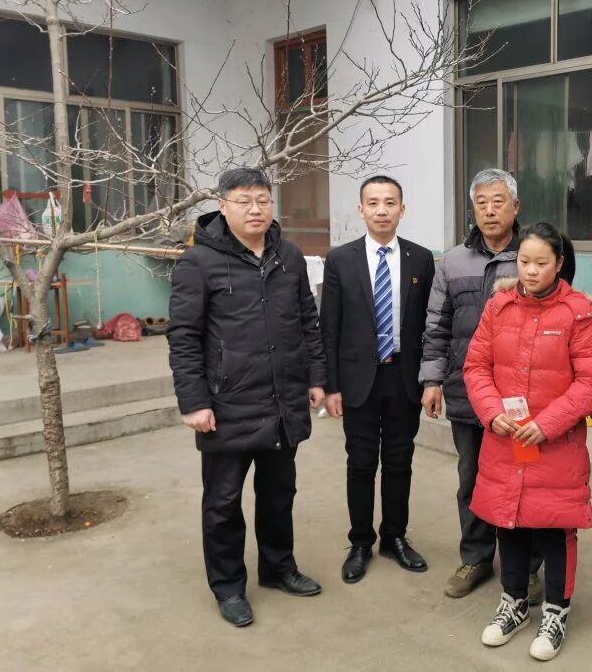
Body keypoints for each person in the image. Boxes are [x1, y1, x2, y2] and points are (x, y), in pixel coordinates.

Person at [167, 167, 326, 628]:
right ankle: (228, 587)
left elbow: (307, 321)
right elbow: (183, 337)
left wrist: (315, 376)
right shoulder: (198, 262)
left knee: (278, 494)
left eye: (263, 200)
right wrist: (194, 402)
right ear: (223, 206)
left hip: (281, 400)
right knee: (222, 503)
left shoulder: (288, 256)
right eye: (244, 201)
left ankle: (278, 568)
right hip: (227, 404)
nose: (255, 209)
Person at [463, 222, 592, 661]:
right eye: (524, 261)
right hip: (506, 439)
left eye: (541, 263)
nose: (530, 271)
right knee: (508, 522)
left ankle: (555, 612)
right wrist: (491, 411)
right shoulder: (499, 306)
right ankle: (513, 604)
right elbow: (476, 366)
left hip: (554, 442)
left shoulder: (578, 312)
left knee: (554, 526)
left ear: (559, 263)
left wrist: (548, 423)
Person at [420, 168, 544, 602]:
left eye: (498, 201)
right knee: (471, 478)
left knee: (523, 477)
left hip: (521, 397)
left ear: (516, 206)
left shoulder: (533, 254)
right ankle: (475, 557)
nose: (490, 211)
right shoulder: (453, 261)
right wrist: (432, 379)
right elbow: (437, 324)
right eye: (481, 203)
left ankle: (527, 566)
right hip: (466, 390)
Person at [320, 175, 435, 583]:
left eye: (390, 203)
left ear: (402, 209)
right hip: (357, 379)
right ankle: (360, 542)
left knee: (400, 462)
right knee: (361, 463)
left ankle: (394, 537)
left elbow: (430, 324)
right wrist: (331, 386)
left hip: (404, 377)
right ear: (361, 210)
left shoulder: (421, 259)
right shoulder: (340, 259)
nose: (382, 210)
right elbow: (329, 327)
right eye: (373, 203)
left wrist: (432, 380)